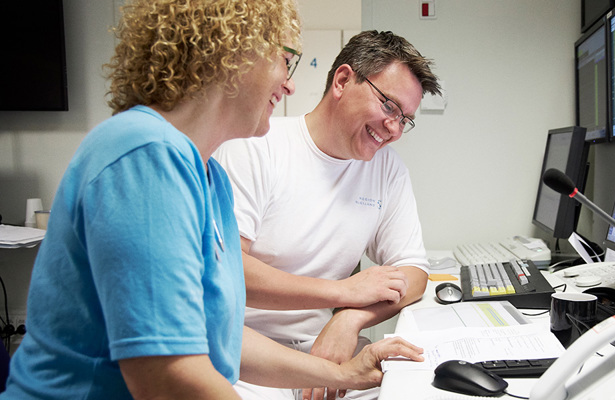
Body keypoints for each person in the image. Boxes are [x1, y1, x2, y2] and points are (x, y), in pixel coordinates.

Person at [0, 2, 423, 399]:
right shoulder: (143, 154)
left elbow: (221, 339)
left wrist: (342, 375)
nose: (289, 82)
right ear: (233, 54)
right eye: (284, 59)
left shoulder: (209, 179)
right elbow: (164, 374)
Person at [213, 30, 442, 399]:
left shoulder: (386, 169)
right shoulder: (255, 148)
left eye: (405, 119)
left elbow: (413, 271)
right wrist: (340, 293)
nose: (395, 129)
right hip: (247, 355)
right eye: (389, 106)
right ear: (342, 81)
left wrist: (349, 317)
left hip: (328, 346)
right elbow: (230, 269)